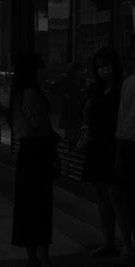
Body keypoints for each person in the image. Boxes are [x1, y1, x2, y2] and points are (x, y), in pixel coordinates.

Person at [80, 47, 132, 261]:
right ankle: (109, 241)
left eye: (107, 65)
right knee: (102, 196)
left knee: (118, 196)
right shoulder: (94, 89)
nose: (104, 70)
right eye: (100, 67)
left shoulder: (124, 88)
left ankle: (127, 243)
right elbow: (86, 113)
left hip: (115, 144)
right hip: (97, 145)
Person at [9, 52, 60, 267]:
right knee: (39, 206)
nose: (45, 69)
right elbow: (41, 125)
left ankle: (33, 257)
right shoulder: (31, 93)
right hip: (38, 152)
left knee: (28, 206)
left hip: (28, 154)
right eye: (41, 66)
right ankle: (43, 256)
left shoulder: (20, 93)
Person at [115, 35, 135, 265]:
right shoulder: (129, 82)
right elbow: (123, 122)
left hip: (128, 146)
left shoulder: (129, 82)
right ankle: (128, 244)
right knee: (128, 199)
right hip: (130, 146)